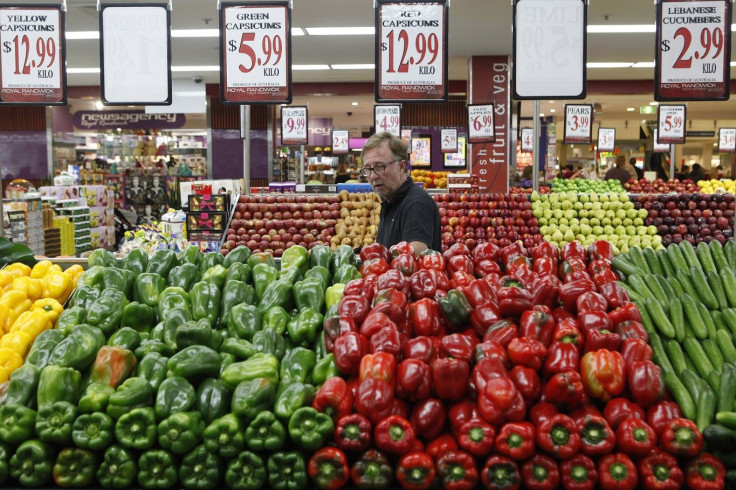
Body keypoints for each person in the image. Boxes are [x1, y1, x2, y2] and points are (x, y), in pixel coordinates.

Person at [361, 132, 441, 254]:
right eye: (368, 169)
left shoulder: (415, 203)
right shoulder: (389, 200)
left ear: (401, 166)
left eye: (380, 166)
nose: (373, 176)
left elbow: (417, 252)